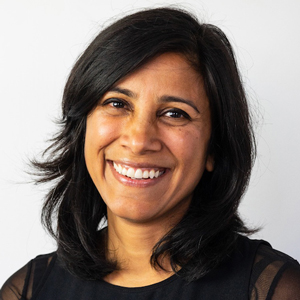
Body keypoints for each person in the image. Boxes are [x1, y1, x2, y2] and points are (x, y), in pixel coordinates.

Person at [1, 7, 300, 300]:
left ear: (214, 148)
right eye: (117, 104)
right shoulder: (28, 290)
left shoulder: (274, 289)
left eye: (174, 113)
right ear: (83, 129)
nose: (139, 140)